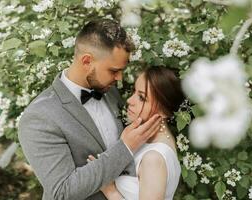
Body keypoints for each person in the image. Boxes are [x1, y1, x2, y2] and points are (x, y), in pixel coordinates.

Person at [18, 19, 162, 200]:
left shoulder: (109, 91)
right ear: (86, 61)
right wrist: (126, 147)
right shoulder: (39, 117)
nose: (119, 78)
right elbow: (62, 192)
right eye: (113, 70)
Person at [88, 66, 185, 200]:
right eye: (134, 92)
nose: (129, 101)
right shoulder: (151, 141)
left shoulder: (153, 158)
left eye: (142, 98)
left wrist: (110, 190)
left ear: (164, 111)